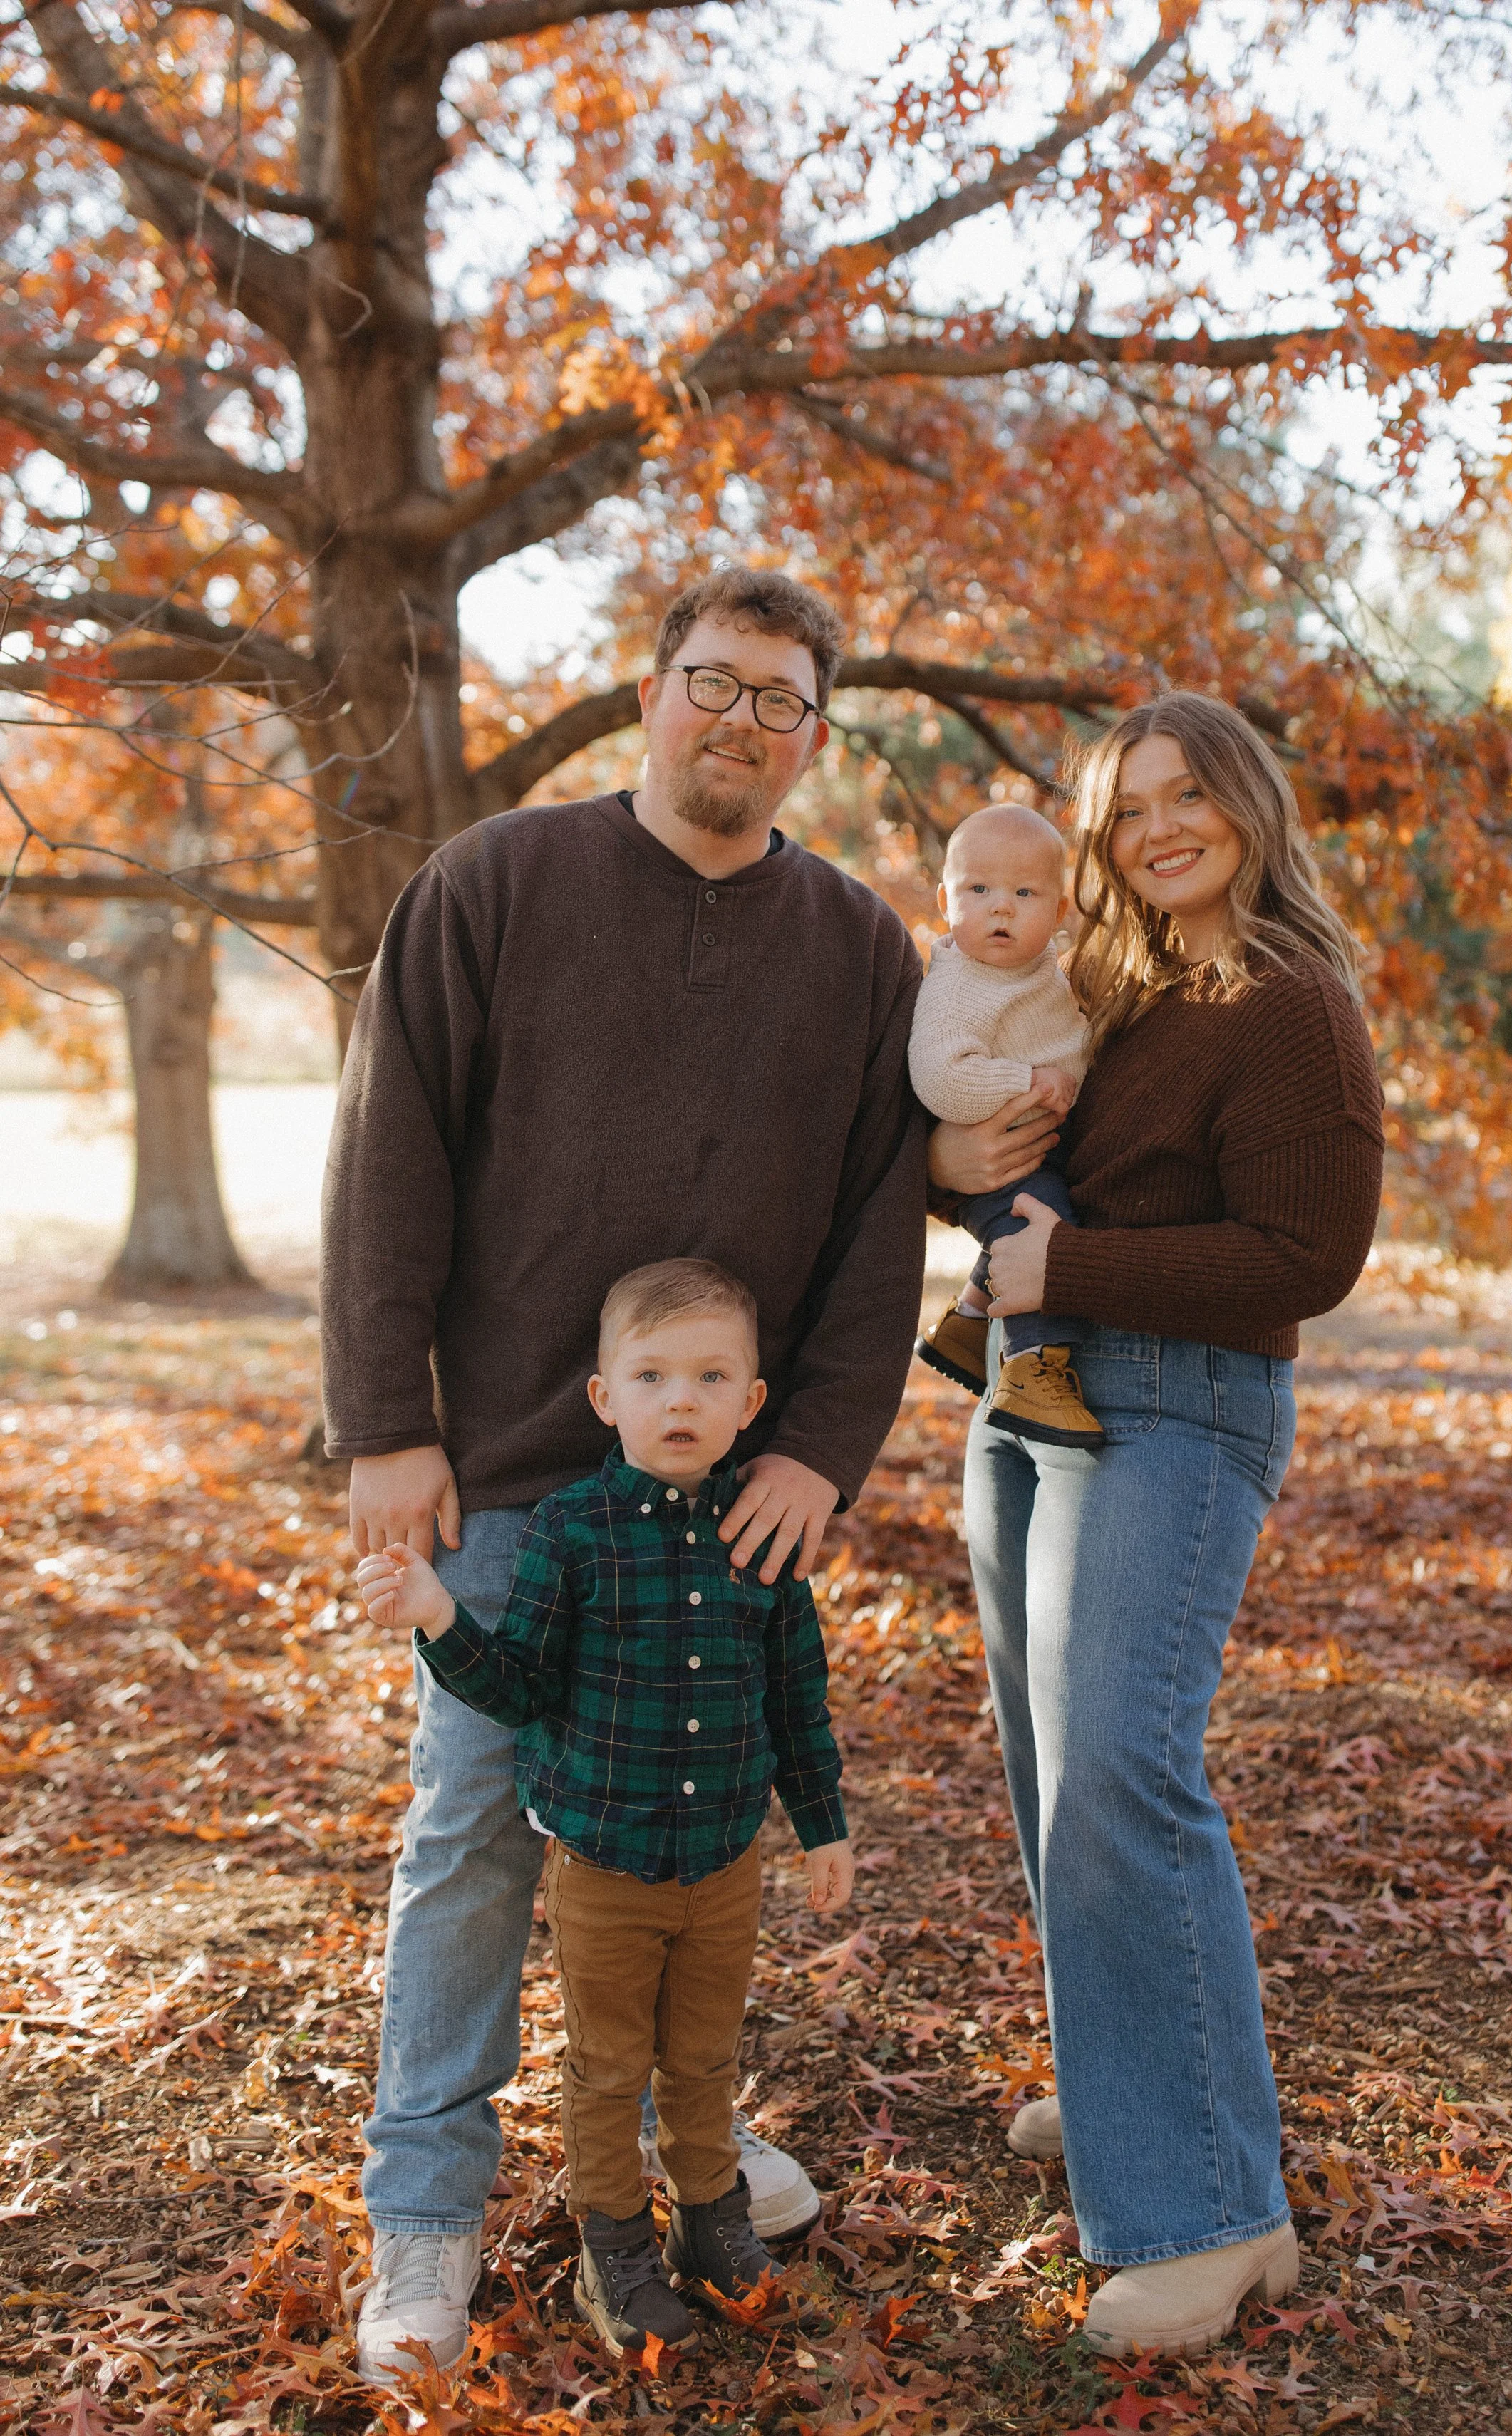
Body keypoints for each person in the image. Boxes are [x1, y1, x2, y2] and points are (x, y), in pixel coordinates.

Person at [321, 569, 927, 2384]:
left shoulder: (861, 948)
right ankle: (424, 2216)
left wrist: (822, 1441)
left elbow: (888, 1229)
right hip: (510, 1463)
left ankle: (696, 2148)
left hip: (723, 1499)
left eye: (782, 703)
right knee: (475, 1846)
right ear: (645, 693)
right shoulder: (496, 883)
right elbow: (387, 1155)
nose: (742, 725)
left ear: (813, 739)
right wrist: (385, 1418)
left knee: (692, 1843)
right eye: (713, 686)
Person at [928, 692, 1384, 2358]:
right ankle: (1132, 2084)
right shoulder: (1110, 992)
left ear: (1249, 805)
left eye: (1190, 795)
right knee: (1053, 1776)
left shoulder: (1291, 1006)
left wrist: (1074, 1272)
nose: (1160, 826)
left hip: (1176, 1412)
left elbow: (1307, 1257)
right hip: (1033, 1397)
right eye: (1131, 808)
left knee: (1125, 1761)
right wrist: (957, 1155)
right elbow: (1034, 1172)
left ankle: (1209, 2209)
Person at [356, 1260, 854, 2360]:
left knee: (708, 2051)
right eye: (653, 1374)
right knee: (610, 2061)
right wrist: (439, 1613)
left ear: (751, 1401)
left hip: (723, 1860)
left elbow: (794, 1696)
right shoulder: (572, 1530)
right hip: (605, 1865)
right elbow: (520, 1689)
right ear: (605, 1396)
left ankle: (710, 2219)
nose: (682, 1398)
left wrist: (822, 1822)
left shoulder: (759, 1532)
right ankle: (613, 2243)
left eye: (711, 1375)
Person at [908, 804, 1102, 1450]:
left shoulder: (1045, 970)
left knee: (1048, 1204)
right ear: (945, 899)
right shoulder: (959, 985)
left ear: (1059, 910)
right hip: (996, 1157)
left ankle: (967, 1325)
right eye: (979, 890)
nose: (1001, 908)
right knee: (1039, 1229)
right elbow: (941, 1079)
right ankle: (1031, 1365)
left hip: (1035, 1145)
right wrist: (1027, 1081)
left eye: (1024, 893)